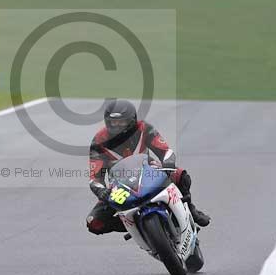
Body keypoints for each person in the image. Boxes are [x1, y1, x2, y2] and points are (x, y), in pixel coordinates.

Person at [85, 99, 211, 235]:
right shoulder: (98, 141)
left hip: (149, 174)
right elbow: (95, 177)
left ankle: (190, 209)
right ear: (107, 122)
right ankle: (134, 226)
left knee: (181, 175)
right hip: (120, 187)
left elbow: (165, 150)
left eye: (122, 122)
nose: (118, 126)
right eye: (114, 122)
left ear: (132, 121)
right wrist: (101, 191)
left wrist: (168, 163)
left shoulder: (144, 128)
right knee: (94, 222)